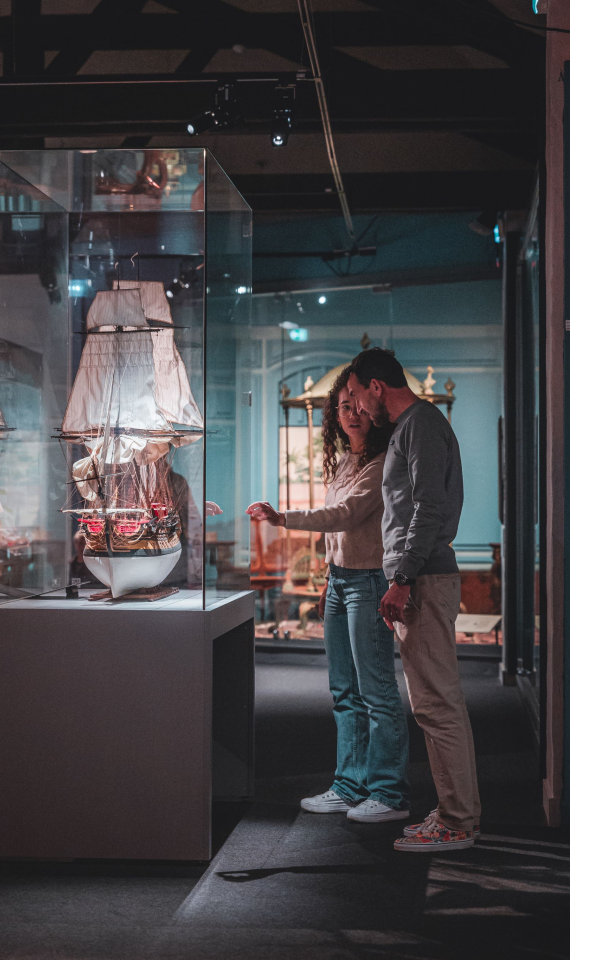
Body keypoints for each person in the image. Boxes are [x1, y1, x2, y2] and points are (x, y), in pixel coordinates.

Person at [246, 367, 410, 823]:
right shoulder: (343, 463)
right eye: (343, 407)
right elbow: (339, 537)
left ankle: (390, 794)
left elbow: (345, 515)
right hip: (341, 583)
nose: (352, 413)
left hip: (369, 584)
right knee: (343, 692)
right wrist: (326, 581)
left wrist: (283, 519)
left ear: (372, 410)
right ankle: (349, 785)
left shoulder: (381, 463)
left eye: (357, 404)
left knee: (376, 692)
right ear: (334, 417)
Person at [346, 347, 480, 853]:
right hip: (419, 578)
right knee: (436, 705)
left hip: (422, 580)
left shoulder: (419, 423)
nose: (357, 408)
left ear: (377, 387)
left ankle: (458, 822)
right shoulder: (412, 427)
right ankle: (456, 813)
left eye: (358, 395)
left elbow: (428, 506)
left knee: (436, 706)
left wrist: (401, 579)